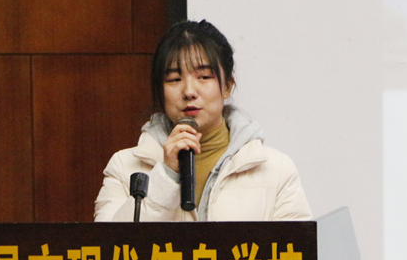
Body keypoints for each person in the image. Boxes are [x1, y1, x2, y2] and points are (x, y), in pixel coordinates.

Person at [94, 19, 312, 222]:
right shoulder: (124, 167)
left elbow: (298, 248)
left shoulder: (276, 170)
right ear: (161, 91)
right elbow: (108, 246)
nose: (189, 91)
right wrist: (166, 175)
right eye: (174, 79)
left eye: (204, 77)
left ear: (227, 86)